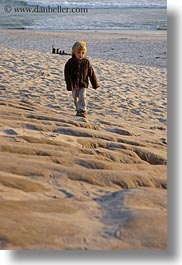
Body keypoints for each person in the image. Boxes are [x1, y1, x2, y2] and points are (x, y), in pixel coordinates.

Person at [64, 41, 99, 118]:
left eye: (83, 53)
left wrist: (95, 84)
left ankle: (82, 110)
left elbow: (91, 73)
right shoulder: (70, 62)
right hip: (73, 84)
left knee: (82, 96)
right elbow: (67, 74)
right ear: (74, 52)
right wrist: (70, 84)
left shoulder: (86, 62)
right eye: (79, 52)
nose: (81, 55)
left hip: (83, 84)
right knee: (75, 96)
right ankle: (78, 109)